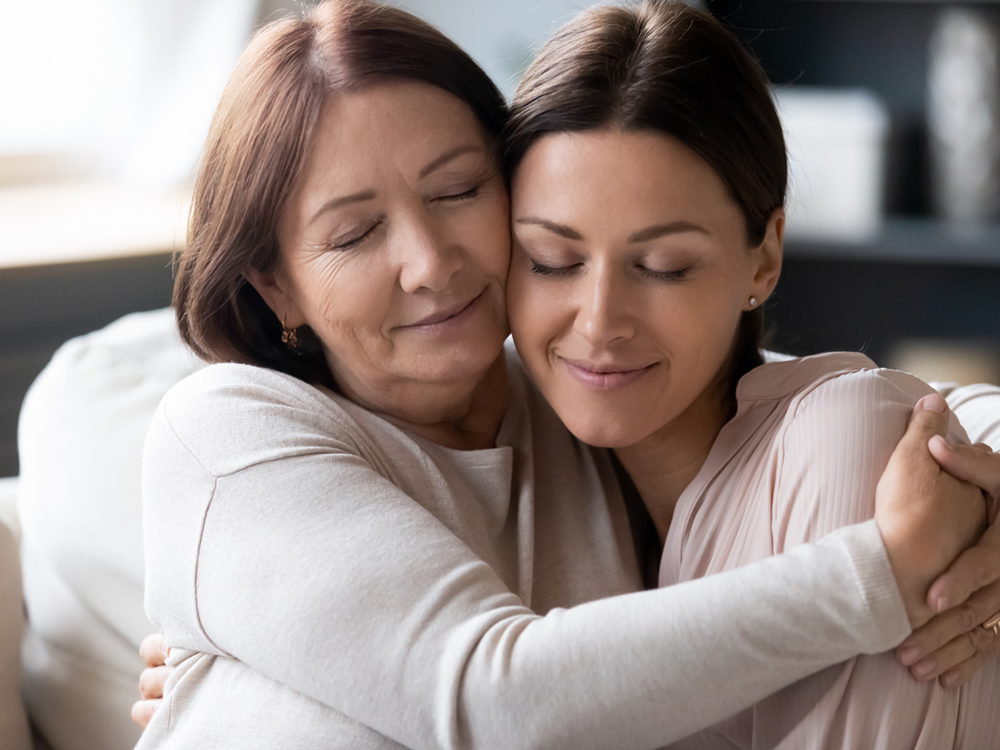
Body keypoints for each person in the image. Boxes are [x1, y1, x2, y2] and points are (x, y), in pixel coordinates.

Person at [132, 1, 1000, 747]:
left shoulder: (575, 402)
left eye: (458, 190)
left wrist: (982, 487)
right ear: (273, 283)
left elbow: (816, 398)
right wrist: (882, 570)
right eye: (355, 235)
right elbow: (494, 700)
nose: (431, 262)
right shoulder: (231, 430)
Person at [501, 1, 1000, 746]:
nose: (599, 320)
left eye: (663, 266)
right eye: (551, 260)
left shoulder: (845, 449)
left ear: (763, 258)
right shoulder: (538, 460)